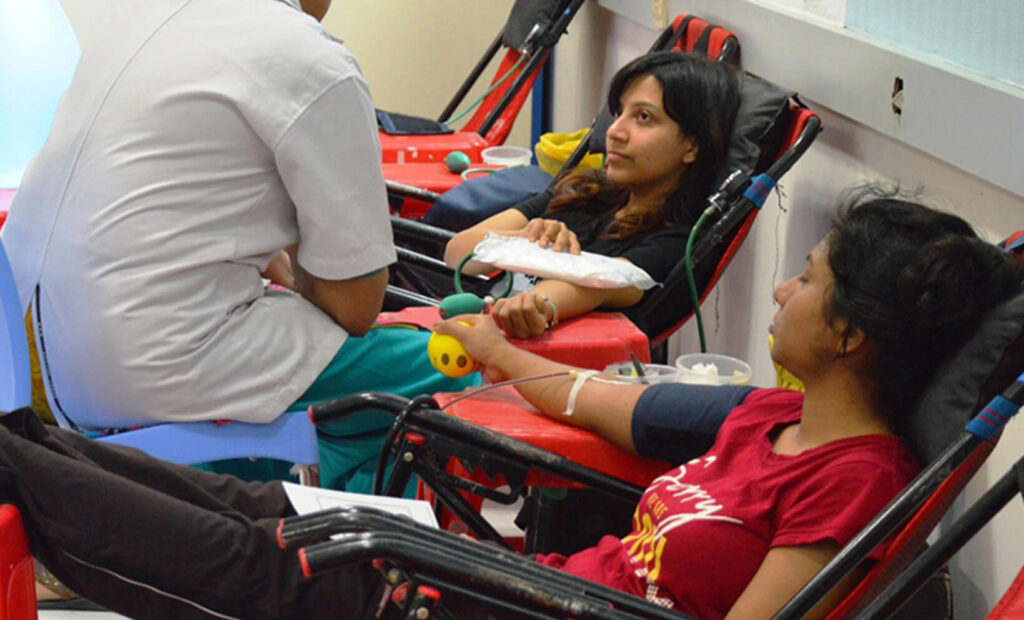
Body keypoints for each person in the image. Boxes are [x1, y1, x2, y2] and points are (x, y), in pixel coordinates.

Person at [1, 192, 1019, 619]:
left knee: (264, 560)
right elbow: (593, 403)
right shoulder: (760, 416)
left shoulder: (856, 481)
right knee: (267, 510)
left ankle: (15, 463)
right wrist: (494, 350)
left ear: (850, 334)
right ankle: (24, 442)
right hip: (514, 580)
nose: (785, 289)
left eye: (808, 278)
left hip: (508, 604)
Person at [0, 0, 476, 493]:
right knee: (451, 377)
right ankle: (358, 539)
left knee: (296, 365)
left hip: (17, 355)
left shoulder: (146, 16)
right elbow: (354, 306)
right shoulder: (311, 60)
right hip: (126, 366)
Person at [443, 51, 739, 339]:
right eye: (619, 113)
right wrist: (528, 238)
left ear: (691, 146)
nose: (615, 132)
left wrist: (535, 303)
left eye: (644, 117)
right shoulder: (583, 193)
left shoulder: (672, 243)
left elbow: (598, 283)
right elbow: (457, 252)